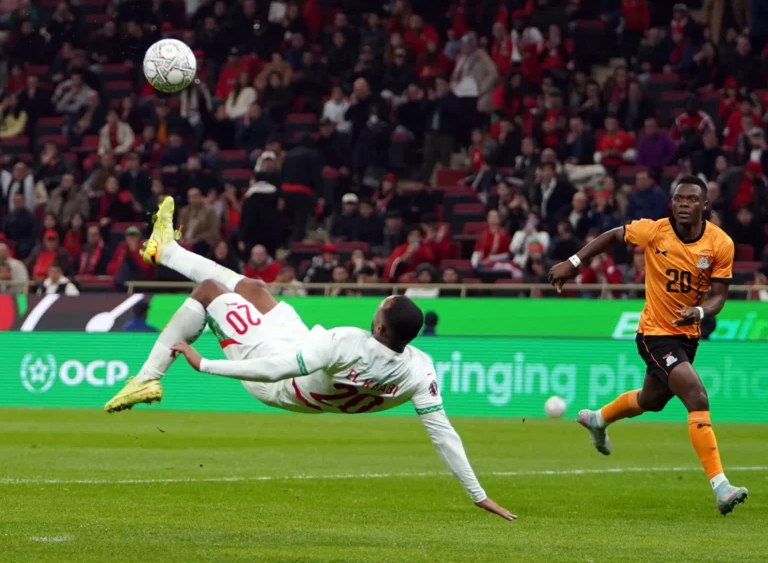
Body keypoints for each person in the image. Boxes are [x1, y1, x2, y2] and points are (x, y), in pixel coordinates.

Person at [103, 196, 515, 522]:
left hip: (278, 378)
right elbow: (443, 434)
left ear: (378, 326)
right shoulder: (419, 369)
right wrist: (478, 495)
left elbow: (276, 369)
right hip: (302, 352)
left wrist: (205, 364)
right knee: (254, 287)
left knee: (209, 290)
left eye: (382, 305)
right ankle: (166, 250)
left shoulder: (347, 342)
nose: (379, 304)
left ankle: (147, 377)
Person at [548, 175, 748, 515]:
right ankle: (721, 487)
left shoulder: (720, 243)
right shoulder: (654, 231)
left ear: (705, 205)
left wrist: (700, 311)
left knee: (651, 400)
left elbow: (718, 297)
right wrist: (574, 263)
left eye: (692, 199)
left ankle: (599, 418)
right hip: (654, 333)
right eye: (679, 199)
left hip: (687, 335)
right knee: (697, 397)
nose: (684, 204)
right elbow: (613, 236)